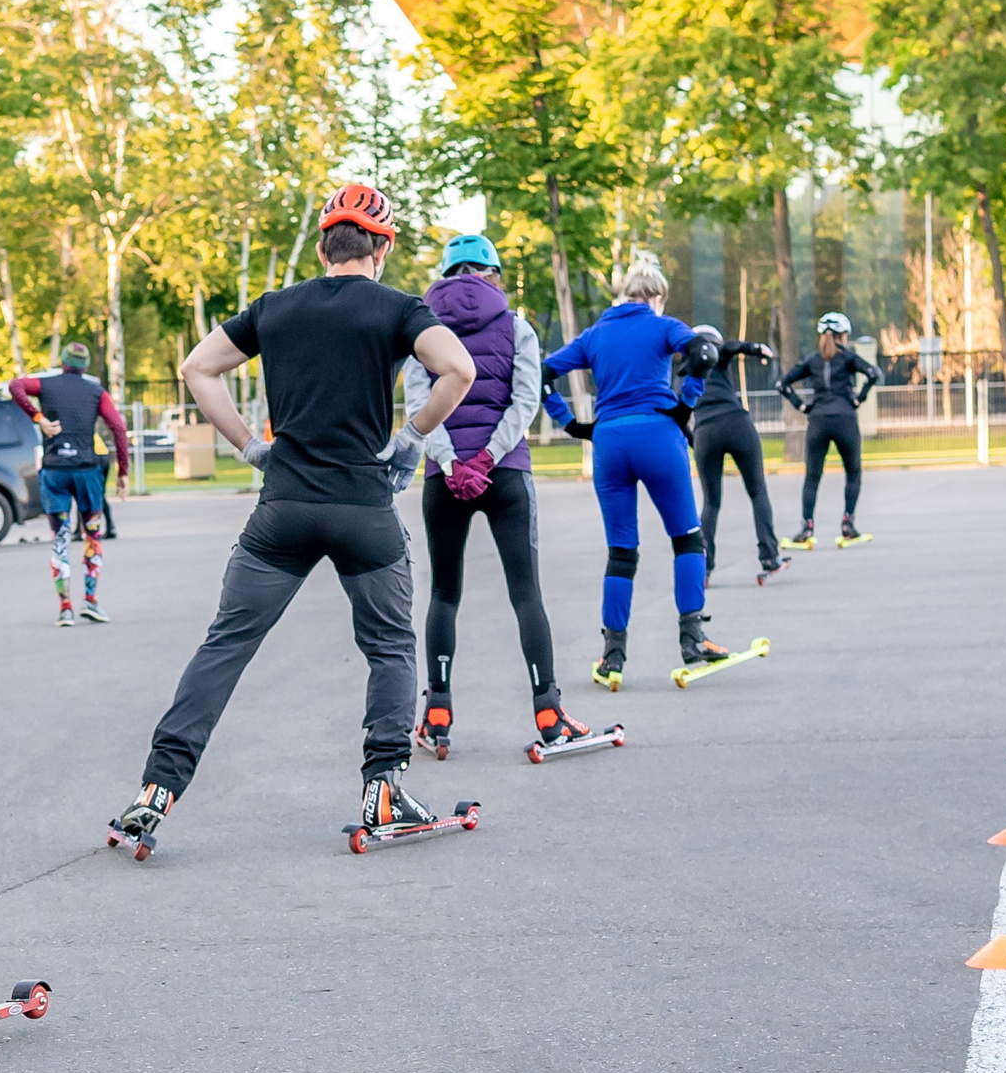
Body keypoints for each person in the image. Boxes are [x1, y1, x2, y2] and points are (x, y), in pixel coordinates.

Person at [106, 182, 476, 855]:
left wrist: (251, 446)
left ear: (324, 245)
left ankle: (155, 790)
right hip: (363, 509)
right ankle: (385, 787)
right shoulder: (398, 309)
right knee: (390, 646)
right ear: (382, 247)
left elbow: (197, 368)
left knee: (226, 645)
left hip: (282, 510)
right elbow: (458, 368)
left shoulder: (274, 307)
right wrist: (411, 437)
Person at [399, 234, 589, 757]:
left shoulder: (422, 330)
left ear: (445, 272)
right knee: (526, 592)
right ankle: (549, 713)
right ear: (493, 273)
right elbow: (525, 399)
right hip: (505, 474)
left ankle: (436, 713)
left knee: (443, 594)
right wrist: (488, 458)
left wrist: (451, 461)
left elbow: (420, 406)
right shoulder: (516, 326)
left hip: (445, 479)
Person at [540, 253, 730, 688]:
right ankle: (692, 638)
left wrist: (570, 424)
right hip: (658, 437)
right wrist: (687, 402)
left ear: (624, 294)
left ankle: (613, 655)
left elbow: (542, 373)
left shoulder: (594, 335)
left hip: (610, 442)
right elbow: (704, 351)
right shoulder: (664, 326)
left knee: (622, 550)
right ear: (657, 296)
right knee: (687, 537)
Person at [6, 342, 130, 626]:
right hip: (87, 472)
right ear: (85, 366)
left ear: (62, 363)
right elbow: (118, 427)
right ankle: (91, 601)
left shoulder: (45, 385)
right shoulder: (96, 392)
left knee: (60, 540)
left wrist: (38, 418)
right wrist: (123, 471)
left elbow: (16, 386)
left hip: (55, 472)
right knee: (92, 537)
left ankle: (65, 609)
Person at [686, 324, 785, 584]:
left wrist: (692, 440)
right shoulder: (719, 357)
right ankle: (769, 556)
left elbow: (678, 413)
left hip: (705, 431)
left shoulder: (684, 371)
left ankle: (704, 568)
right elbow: (731, 346)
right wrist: (755, 348)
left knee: (711, 502)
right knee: (757, 491)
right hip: (736, 424)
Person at [777, 311, 878, 548]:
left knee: (812, 477)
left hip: (818, 420)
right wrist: (858, 398)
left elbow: (782, 383)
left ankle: (806, 529)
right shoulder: (848, 357)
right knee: (853, 472)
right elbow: (874, 373)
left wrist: (802, 406)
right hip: (845, 418)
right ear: (842, 335)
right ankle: (847, 525)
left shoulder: (811, 359)